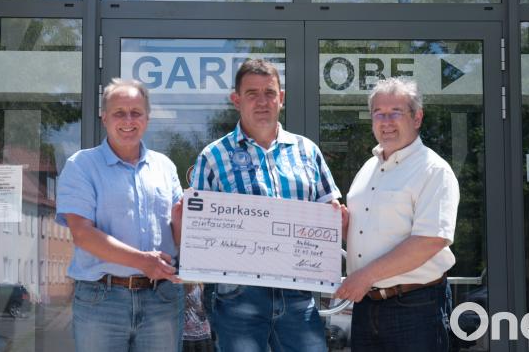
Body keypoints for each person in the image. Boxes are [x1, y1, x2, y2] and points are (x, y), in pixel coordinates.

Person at [185, 58, 348, 352]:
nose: (262, 101)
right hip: (237, 297)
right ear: (236, 100)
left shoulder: (307, 151)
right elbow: (195, 231)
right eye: (252, 94)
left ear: (281, 98)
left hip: (299, 294)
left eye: (269, 93)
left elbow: (332, 212)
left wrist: (336, 218)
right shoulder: (213, 157)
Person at [55, 78, 184, 352]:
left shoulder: (165, 167)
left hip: (161, 299)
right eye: (119, 113)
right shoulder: (81, 166)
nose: (128, 120)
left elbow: (177, 237)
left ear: (147, 118)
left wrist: (184, 221)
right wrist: (143, 261)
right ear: (104, 117)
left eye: (136, 112)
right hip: (102, 300)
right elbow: (82, 235)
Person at [333, 77, 459, 352]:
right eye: (379, 113)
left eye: (396, 112)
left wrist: (365, 276)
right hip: (366, 306)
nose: (386, 121)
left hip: (416, 306)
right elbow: (376, 233)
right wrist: (345, 228)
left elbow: (430, 241)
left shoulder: (433, 170)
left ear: (417, 118)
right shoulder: (368, 168)